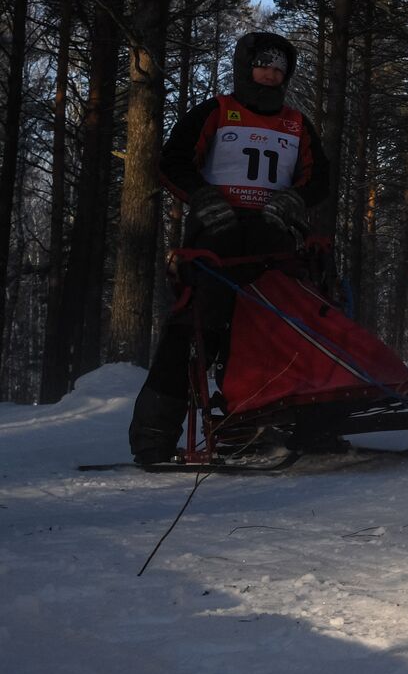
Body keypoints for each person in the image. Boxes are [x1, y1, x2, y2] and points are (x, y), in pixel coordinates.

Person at [128, 31, 330, 464]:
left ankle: (254, 424)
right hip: (217, 239)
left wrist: (295, 200)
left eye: (279, 69)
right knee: (195, 330)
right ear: (246, 67)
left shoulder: (296, 123)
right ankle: (153, 439)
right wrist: (202, 198)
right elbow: (173, 161)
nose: (271, 75)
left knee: (270, 330)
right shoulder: (218, 112)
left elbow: (319, 180)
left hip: (272, 240)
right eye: (264, 66)